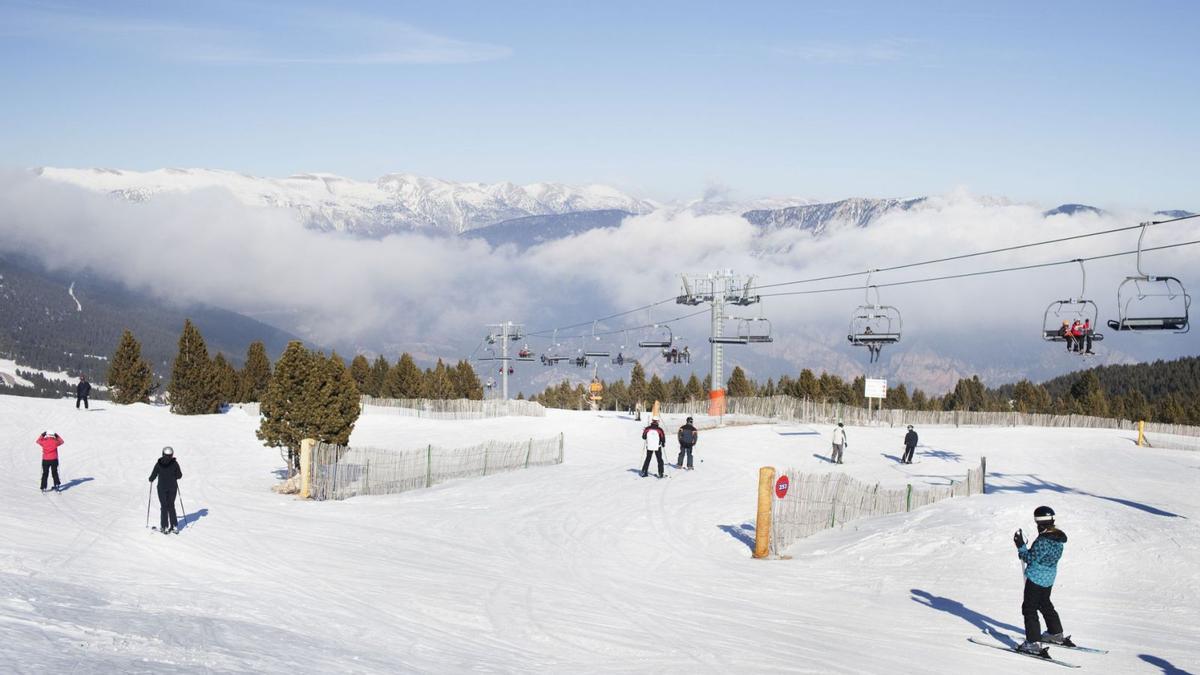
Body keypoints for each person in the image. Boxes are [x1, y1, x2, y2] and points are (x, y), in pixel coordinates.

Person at [1013, 505, 1073, 657]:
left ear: (1039, 522)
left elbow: (1030, 558)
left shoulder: (1043, 540)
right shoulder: (1058, 538)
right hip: (1049, 578)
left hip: (1035, 578)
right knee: (1044, 603)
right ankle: (1055, 633)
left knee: (1029, 608)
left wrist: (1021, 547)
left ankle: (1033, 643)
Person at [149, 446, 183, 533]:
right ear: (172, 454)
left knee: (164, 506)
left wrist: (151, 479)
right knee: (171, 505)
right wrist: (173, 475)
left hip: (161, 488)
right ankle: (174, 526)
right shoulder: (175, 463)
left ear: (163, 453)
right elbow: (179, 475)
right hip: (172, 487)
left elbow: (153, 475)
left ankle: (164, 526)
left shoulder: (159, 463)